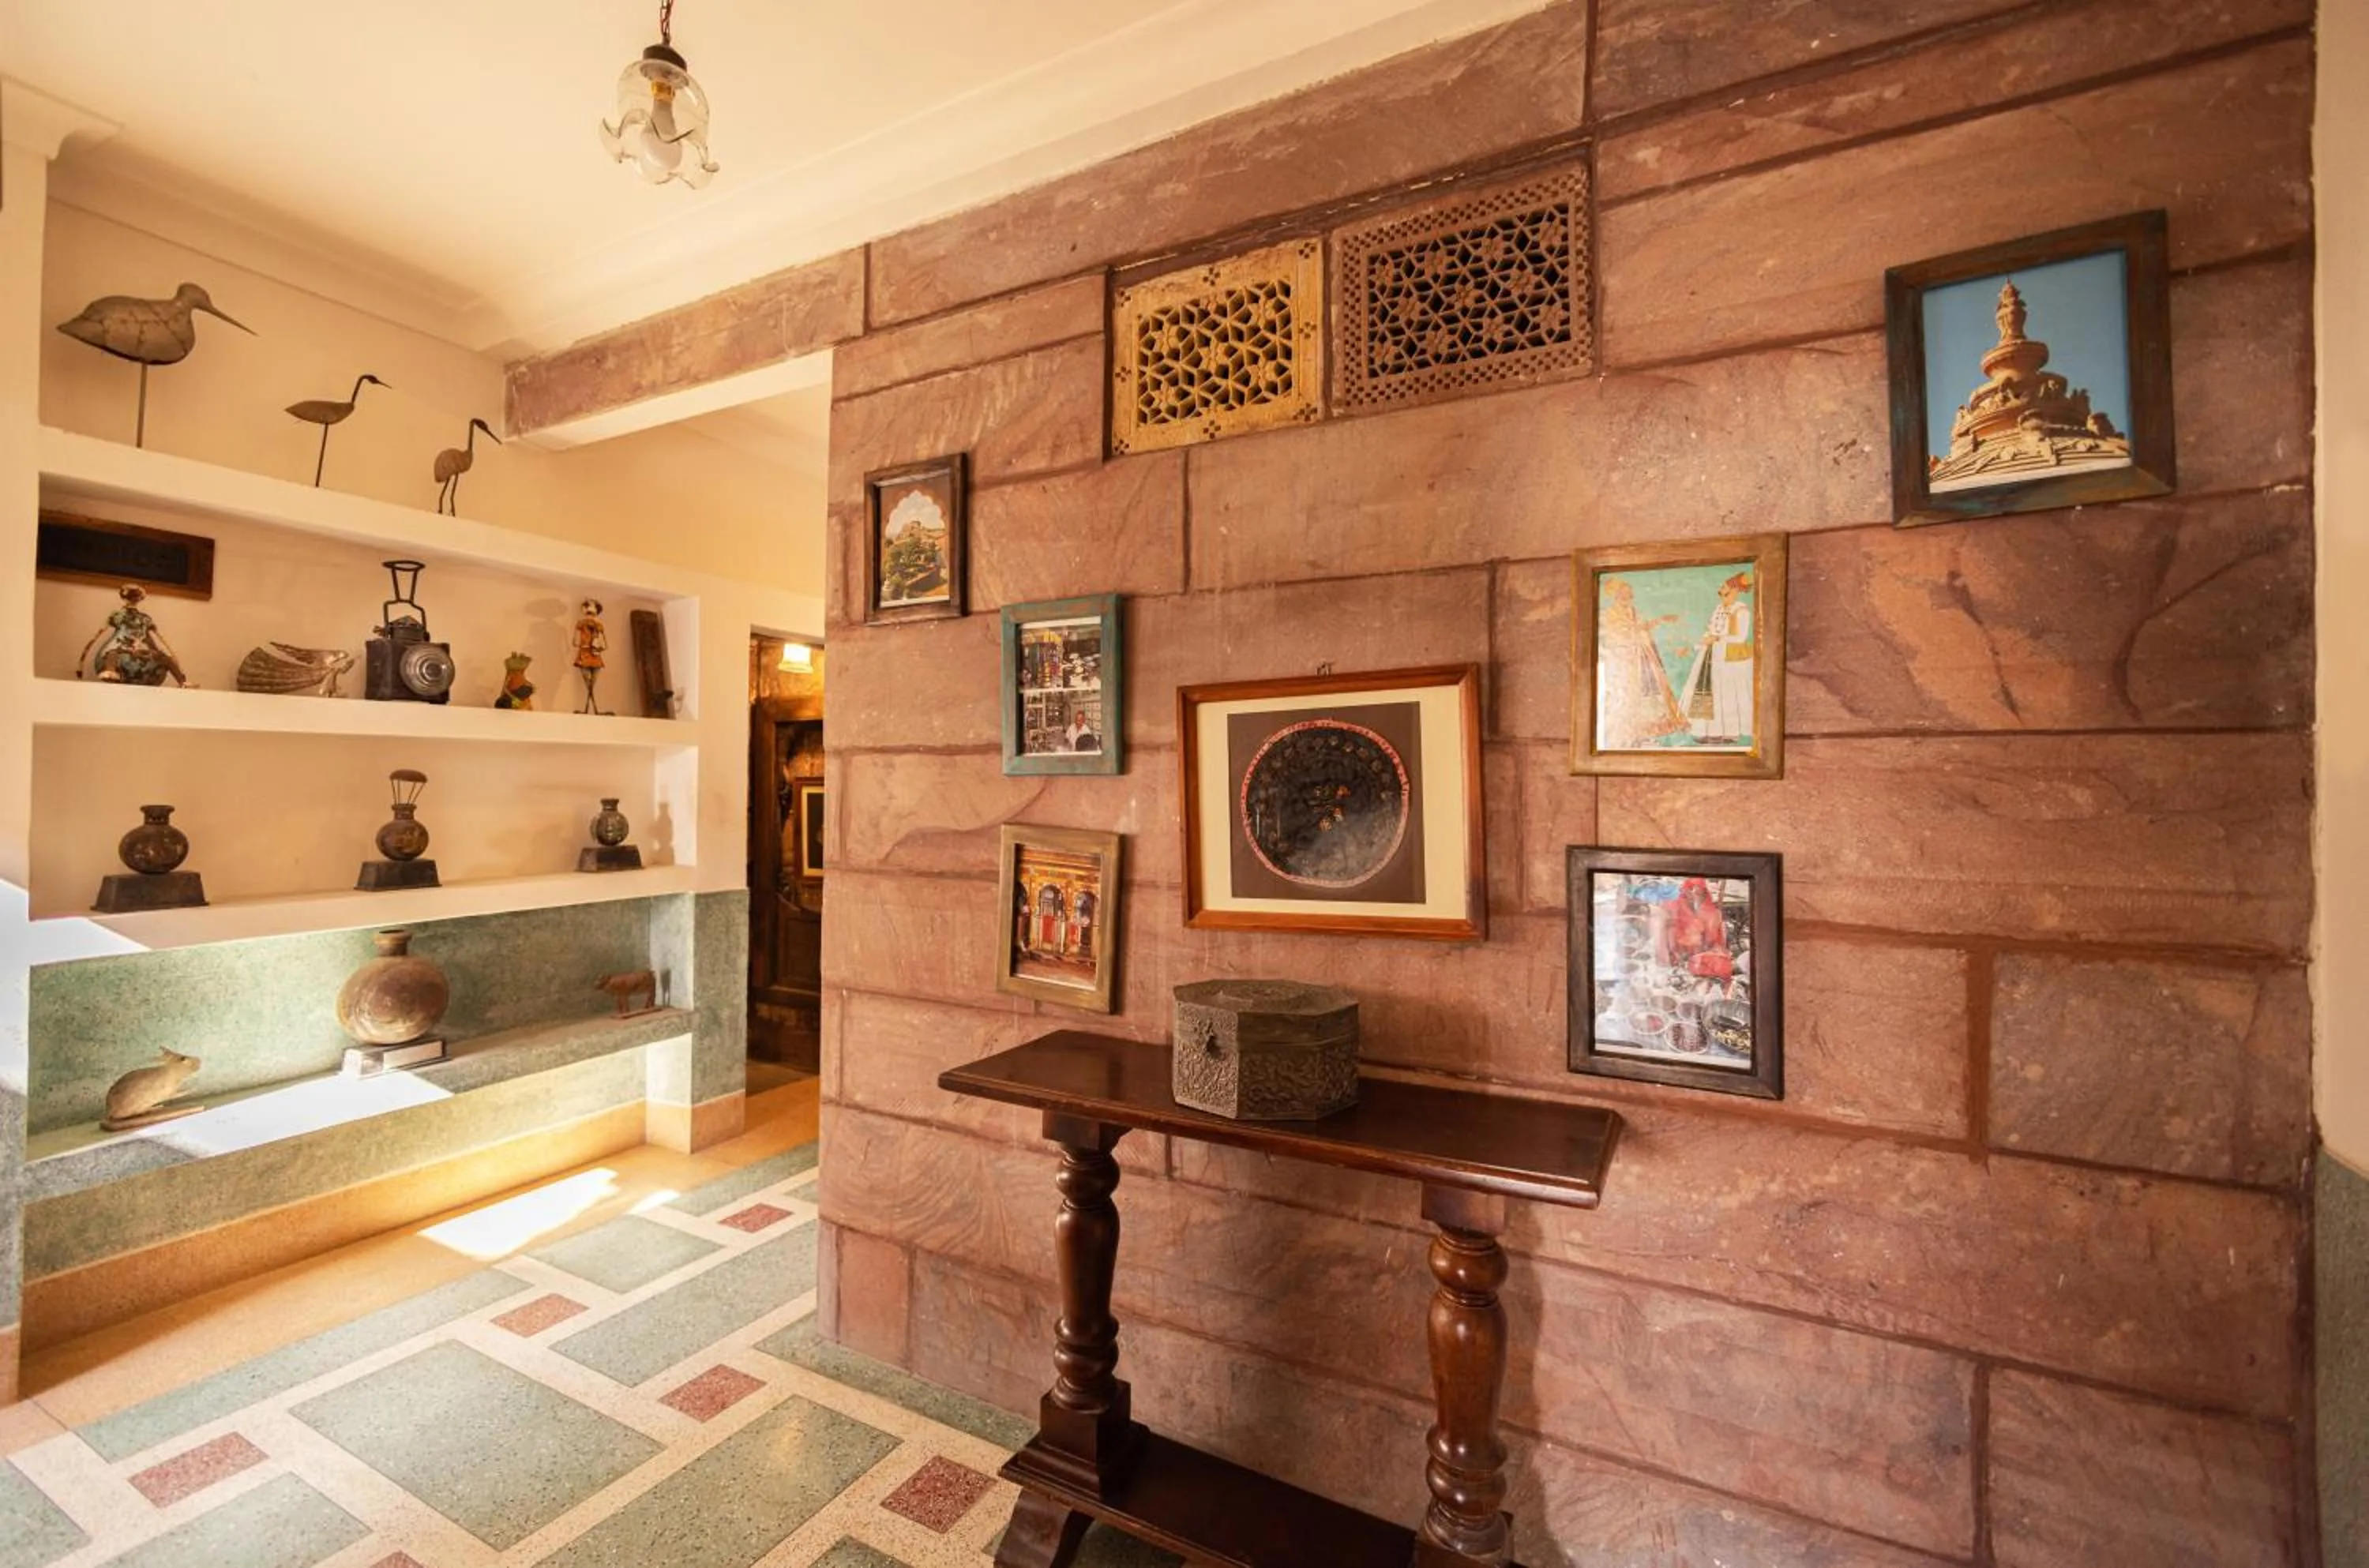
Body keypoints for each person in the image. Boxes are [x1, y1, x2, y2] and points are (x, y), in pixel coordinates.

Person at [1594, 580, 1685, 748]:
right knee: (1628, 699)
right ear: (1616, 594)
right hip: (1625, 664)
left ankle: (1647, 735)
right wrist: (1635, 633)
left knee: (1649, 696)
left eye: (1629, 592)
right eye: (1623, 592)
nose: (1627, 595)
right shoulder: (1611, 614)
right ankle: (1630, 736)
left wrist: (1660, 620)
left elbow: (1642, 627)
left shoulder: (1634, 611)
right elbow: (1615, 636)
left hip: (1642, 659)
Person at [1676, 572, 1755, 745]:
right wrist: (1694, 647)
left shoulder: (1741, 611)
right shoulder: (1719, 609)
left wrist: (1717, 639)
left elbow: (1740, 638)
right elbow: (1710, 632)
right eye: (1721, 593)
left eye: (1725, 593)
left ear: (1735, 592)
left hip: (1730, 661)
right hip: (1712, 656)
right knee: (1709, 694)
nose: (1722, 596)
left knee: (1727, 695)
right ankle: (1709, 731)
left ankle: (1729, 733)